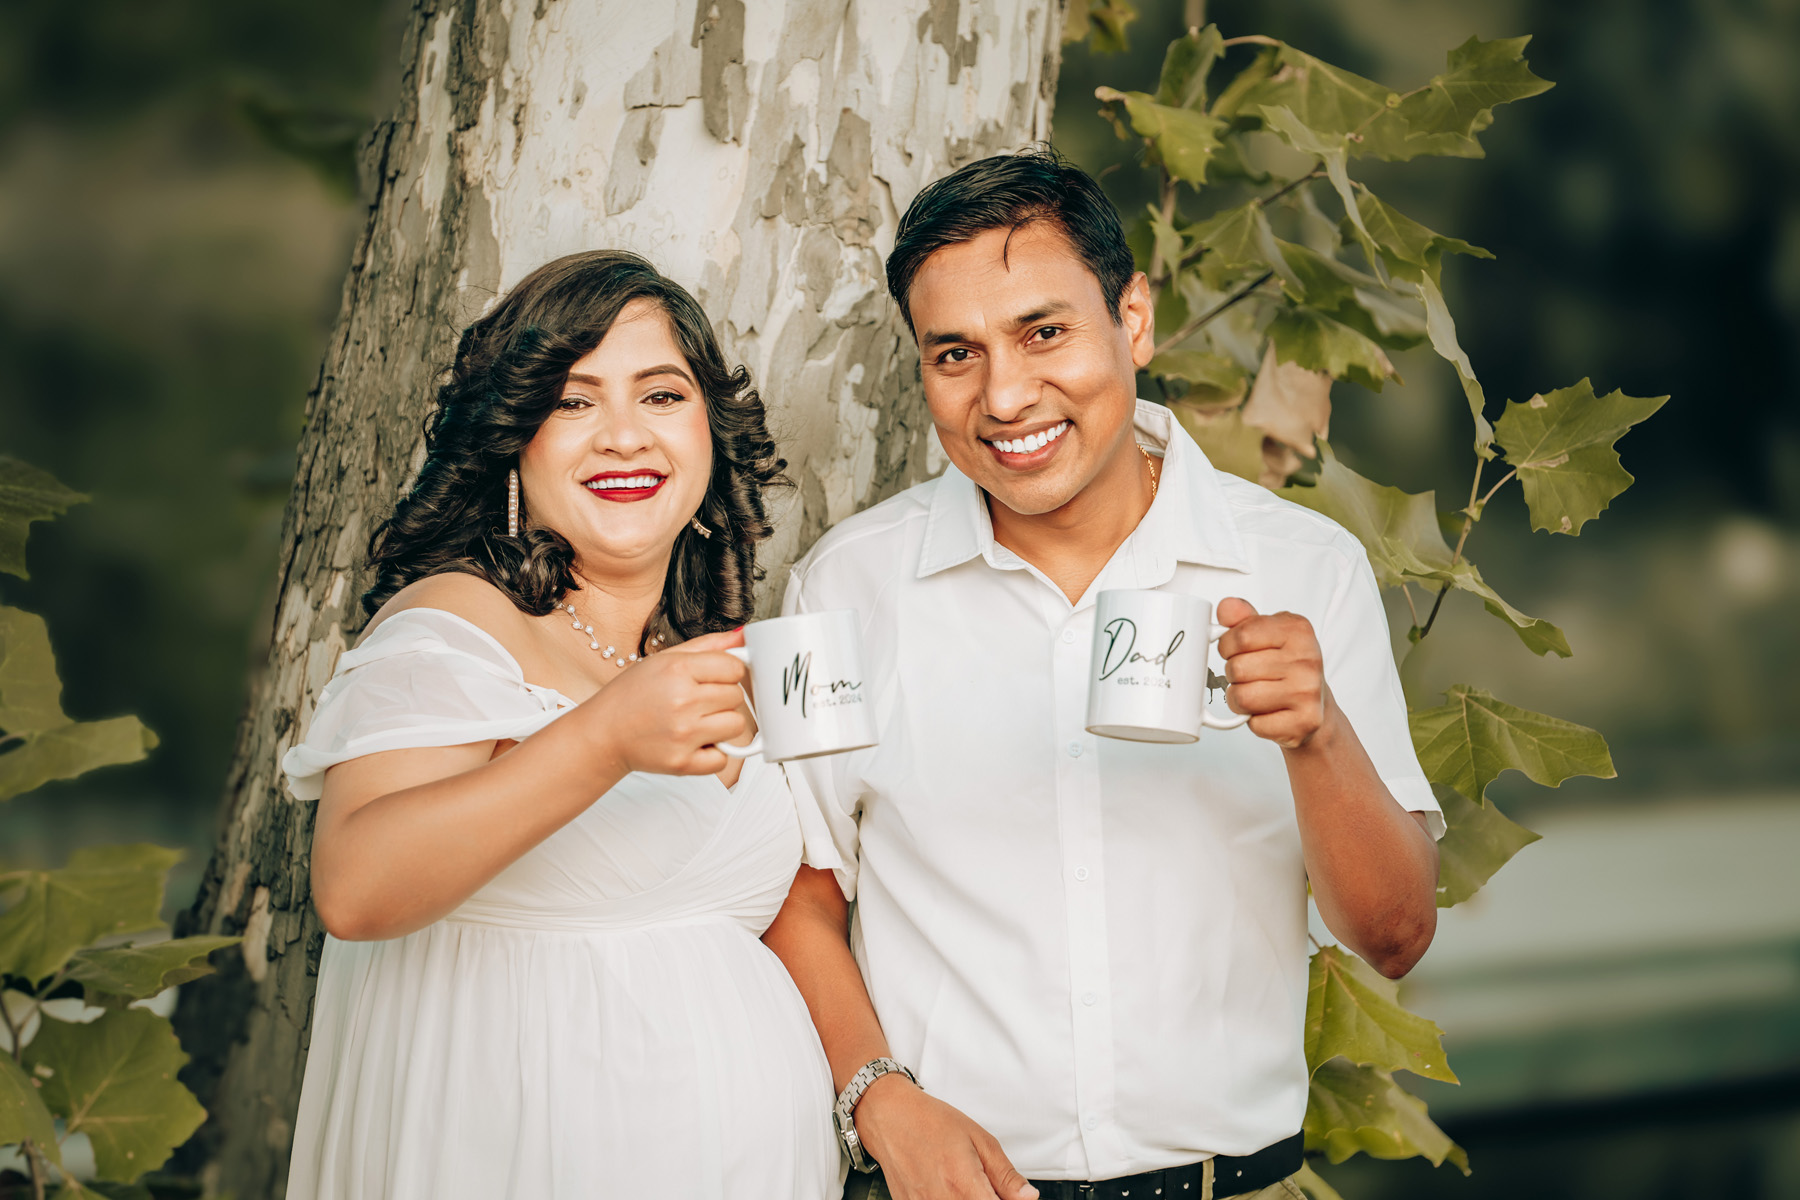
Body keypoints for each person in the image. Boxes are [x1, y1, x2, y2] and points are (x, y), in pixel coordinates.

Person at [762, 149, 1443, 1200]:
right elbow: (795, 890)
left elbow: (1396, 937)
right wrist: (878, 1097)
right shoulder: (836, 589)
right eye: (956, 354)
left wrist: (1319, 737)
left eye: (1044, 333)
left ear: (1133, 319)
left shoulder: (1308, 569)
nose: (1004, 395)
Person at [281, 250, 843, 1199]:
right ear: (514, 440)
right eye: (574, 402)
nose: (623, 436)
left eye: (661, 395)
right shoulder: (454, 621)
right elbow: (355, 887)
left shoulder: (694, 646)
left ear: (710, 433)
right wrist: (603, 738)